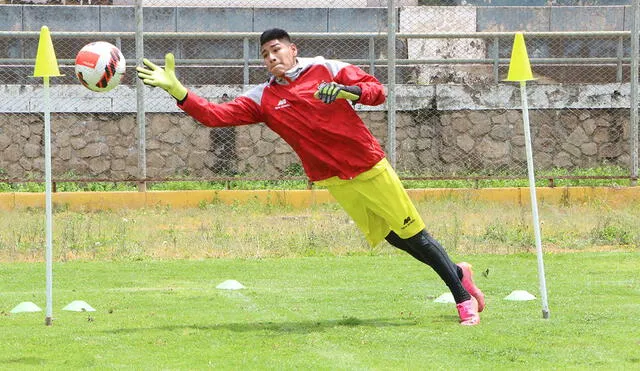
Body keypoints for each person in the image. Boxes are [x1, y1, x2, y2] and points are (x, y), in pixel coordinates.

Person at [136, 28, 485, 325]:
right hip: (333, 178)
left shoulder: (326, 69)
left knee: (415, 233)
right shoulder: (264, 98)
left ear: (292, 49)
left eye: (277, 50)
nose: (272, 57)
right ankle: (458, 272)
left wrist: (350, 92)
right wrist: (177, 91)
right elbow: (214, 115)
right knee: (393, 236)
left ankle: (463, 300)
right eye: (265, 54)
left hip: (368, 166)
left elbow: (377, 91)